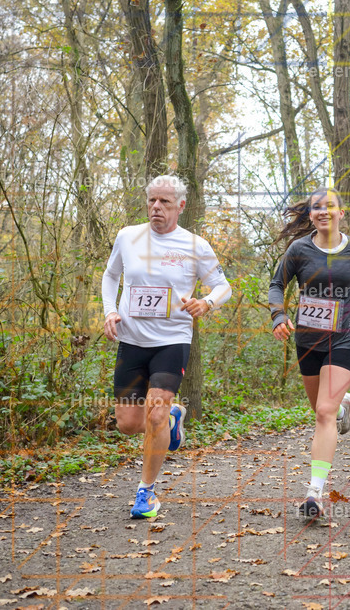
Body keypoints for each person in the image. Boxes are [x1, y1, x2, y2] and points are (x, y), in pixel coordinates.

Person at [102, 174, 232, 519]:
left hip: (172, 340)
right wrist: (110, 310)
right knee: (128, 424)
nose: (156, 207)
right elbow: (110, 275)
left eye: (165, 202)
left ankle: (146, 492)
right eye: (152, 200)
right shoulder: (128, 237)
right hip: (132, 339)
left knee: (155, 414)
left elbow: (223, 286)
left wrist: (207, 303)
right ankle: (173, 418)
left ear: (181, 206)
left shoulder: (195, 245)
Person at [269, 188, 350, 520]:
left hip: (344, 339)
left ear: (341, 213)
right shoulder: (299, 250)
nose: (323, 211)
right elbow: (277, 284)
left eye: (330, 206)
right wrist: (278, 315)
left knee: (323, 414)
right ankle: (344, 405)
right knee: (321, 409)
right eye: (316, 207)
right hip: (308, 341)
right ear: (310, 215)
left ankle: (314, 493)